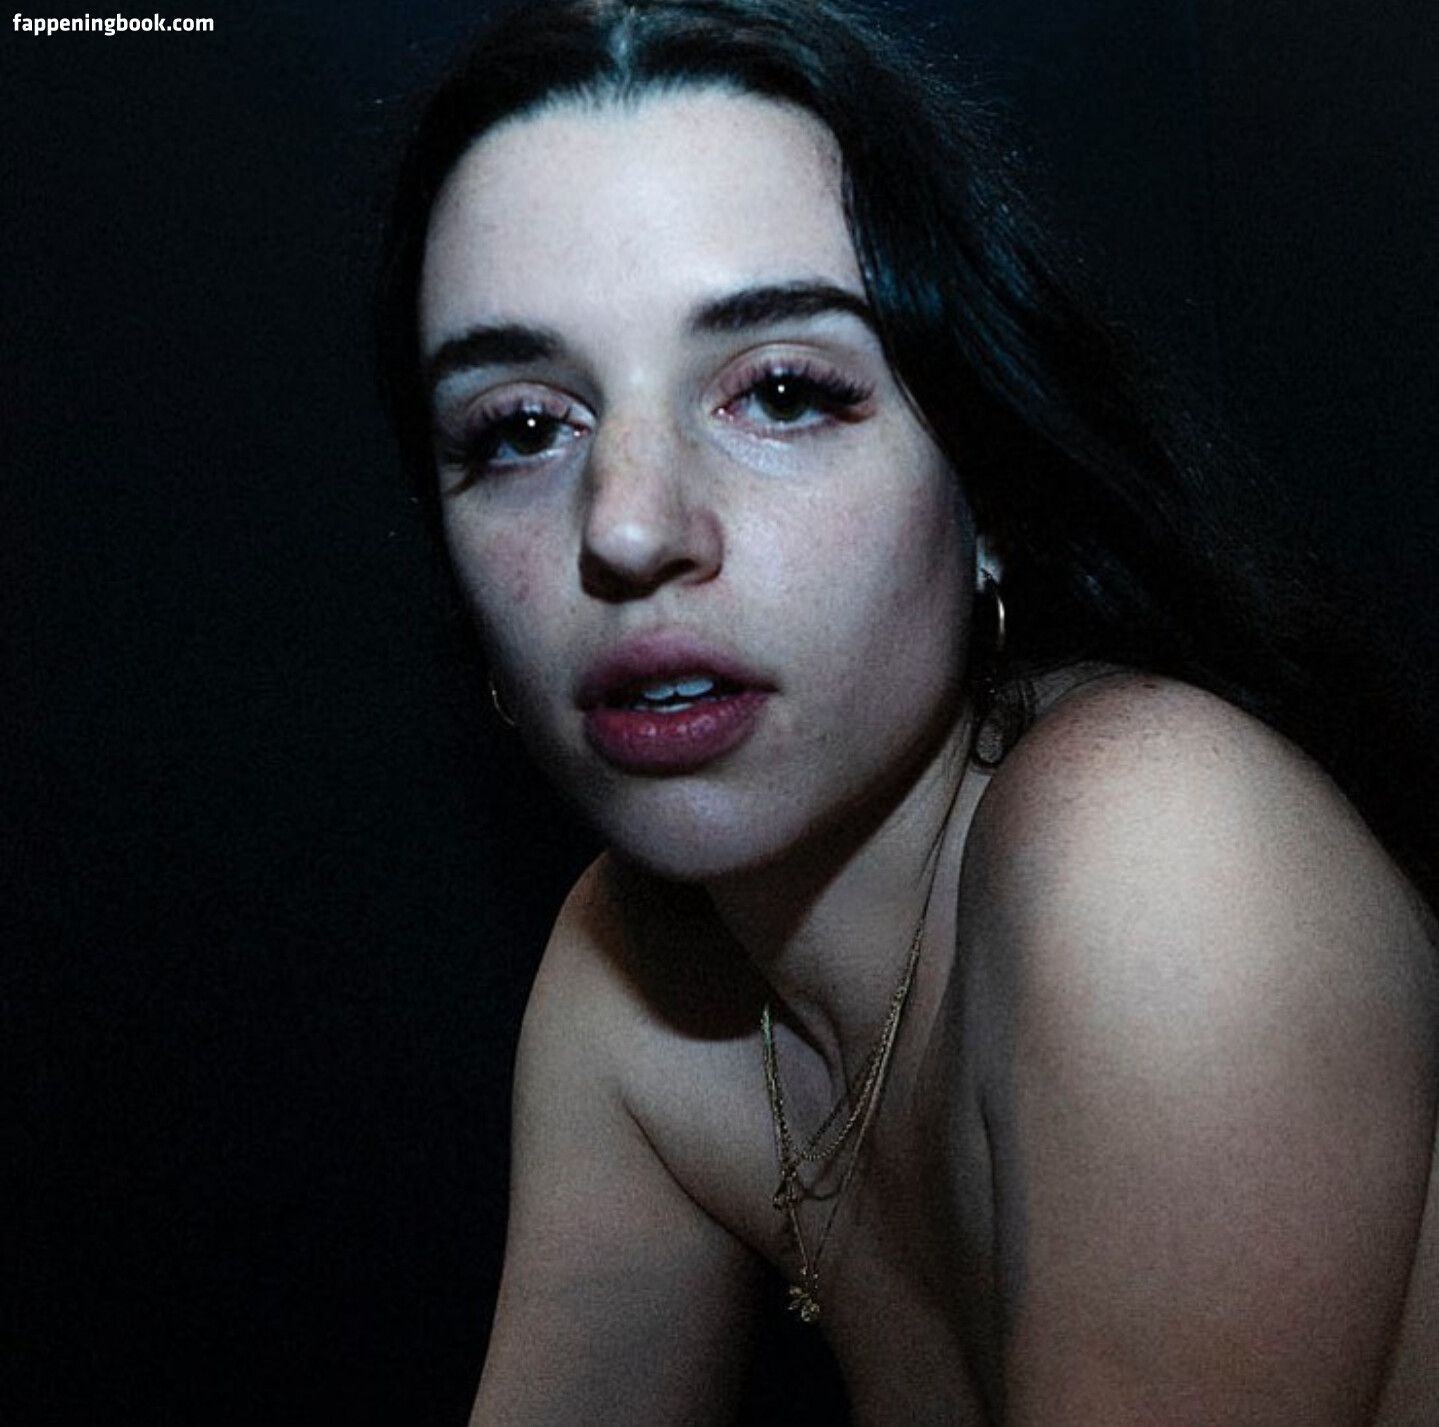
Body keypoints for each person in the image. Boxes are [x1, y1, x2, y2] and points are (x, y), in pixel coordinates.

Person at [376, 0, 1439, 1420]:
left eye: (781, 393)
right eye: (519, 428)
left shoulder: (1160, 855)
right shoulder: (639, 987)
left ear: (988, 492)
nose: (625, 526)